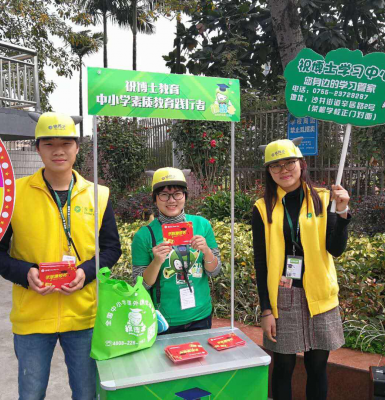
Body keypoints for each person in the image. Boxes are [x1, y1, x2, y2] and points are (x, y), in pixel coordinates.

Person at [0, 112, 122, 400]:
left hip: (83, 317)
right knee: (30, 395)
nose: (58, 150)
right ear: (36, 147)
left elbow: (111, 249)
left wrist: (86, 272)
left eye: (66, 143)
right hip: (32, 318)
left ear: (77, 147)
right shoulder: (13, 194)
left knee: (86, 395)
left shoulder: (99, 195)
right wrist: (25, 273)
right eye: (49, 143)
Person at [252, 139, 351, 400]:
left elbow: (336, 248)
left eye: (289, 163)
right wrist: (266, 310)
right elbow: (260, 263)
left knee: (317, 366)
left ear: (301, 164)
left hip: (320, 295)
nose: (283, 170)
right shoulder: (263, 208)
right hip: (283, 296)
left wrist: (342, 213)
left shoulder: (325, 198)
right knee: (283, 366)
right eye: (275, 166)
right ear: (269, 172)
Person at [131, 167, 221, 334]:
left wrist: (207, 251)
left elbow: (214, 271)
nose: (171, 200)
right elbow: (140, 286)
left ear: (185, 196)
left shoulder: (202, 225)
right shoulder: (144, 236)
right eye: (164, 194)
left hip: (201, 315)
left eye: (177, 193)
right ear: (155, 199)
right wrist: (157, 261)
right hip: (164, 320)